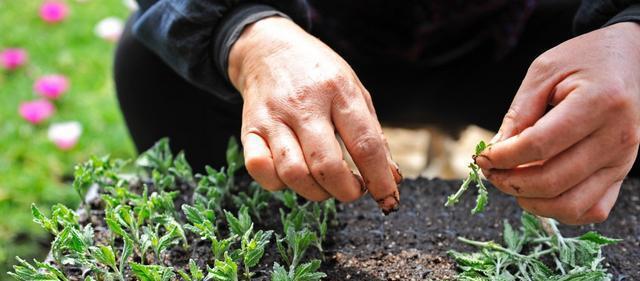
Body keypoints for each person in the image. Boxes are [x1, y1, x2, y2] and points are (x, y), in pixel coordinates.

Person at [115, 0, 640, 224]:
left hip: (524, 33)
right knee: (153, 63)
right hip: (305, 31)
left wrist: (630, 30)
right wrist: (246, 33)